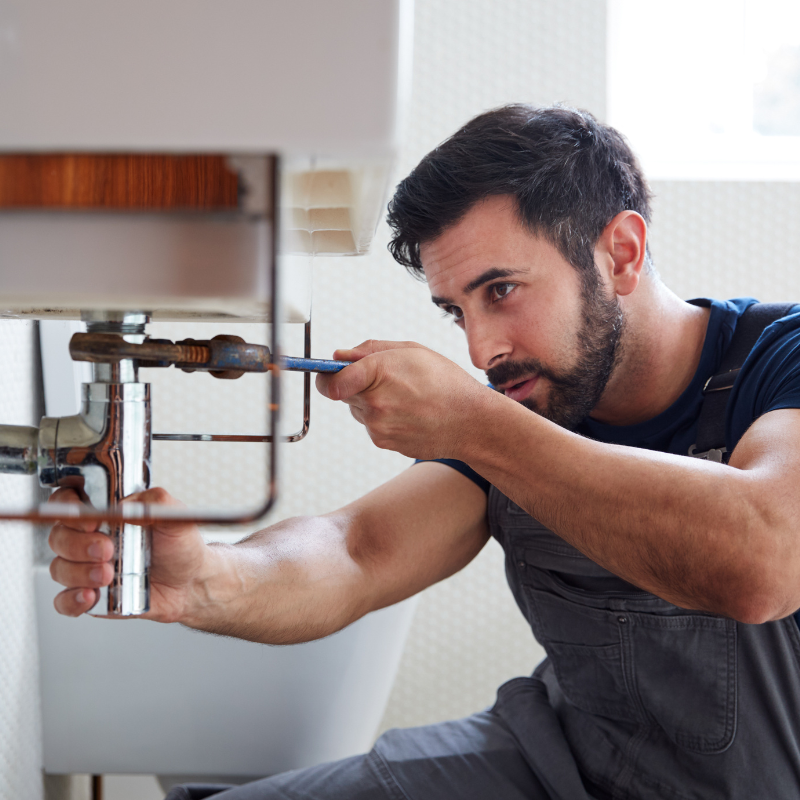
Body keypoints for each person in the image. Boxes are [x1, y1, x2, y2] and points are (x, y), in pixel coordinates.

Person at [49, 105, 800, 799]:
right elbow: (358, 549)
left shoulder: (781, 358)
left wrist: (474, 421)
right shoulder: (527, 404)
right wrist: (211, 576)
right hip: (549, 762)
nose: (481, 349)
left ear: (622, 253)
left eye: (501, 290)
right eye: (456, 311)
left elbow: (766, 558)